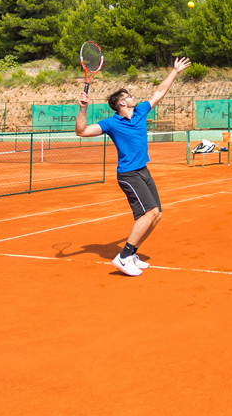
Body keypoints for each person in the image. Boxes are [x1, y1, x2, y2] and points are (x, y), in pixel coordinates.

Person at [76, 57, 191, 276]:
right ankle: (123, 257)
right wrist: (83, 108)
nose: (132, 97)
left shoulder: (140, 112)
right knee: (150, 212)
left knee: (156, 215)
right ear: (122, 103)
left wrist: (175, 72)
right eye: (128, 96)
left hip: (143, 171)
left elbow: (160, 91)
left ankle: (131, 254)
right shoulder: (111, 123)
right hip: (129, 174)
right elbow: (81, 131)